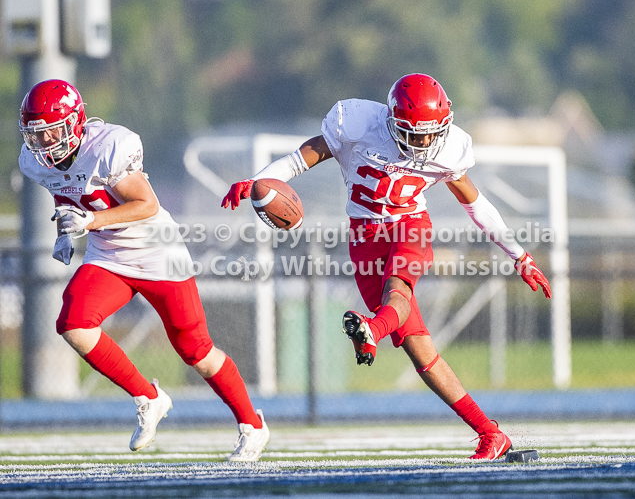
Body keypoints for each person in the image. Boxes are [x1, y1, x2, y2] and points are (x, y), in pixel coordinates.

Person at [221, 73, 551, 461]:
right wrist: (260, 181)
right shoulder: (357, 124)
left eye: (432, 132)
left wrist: (519, 255)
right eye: (415, 133)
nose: (425, 142)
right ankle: (491, 434)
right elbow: (299, 159)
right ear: (392, 122)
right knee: (419, 349)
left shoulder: (450, 149)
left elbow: (476, 204)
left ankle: (372, 329)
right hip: (364, 236)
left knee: (399, 294)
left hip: (410, 225)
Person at [18, 79, 269, 462]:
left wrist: (88, 223)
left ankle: (252, 425)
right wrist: (65, 233)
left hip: (157, 252)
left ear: (75, 123)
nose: (44, 144)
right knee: (73, 323)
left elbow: (145, 205)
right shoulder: (34, 162)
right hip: (109, 256)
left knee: (196, 351)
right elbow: (65, 191)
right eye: (36, 136)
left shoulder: (108, 147)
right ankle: (148, 397)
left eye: (52, 132)